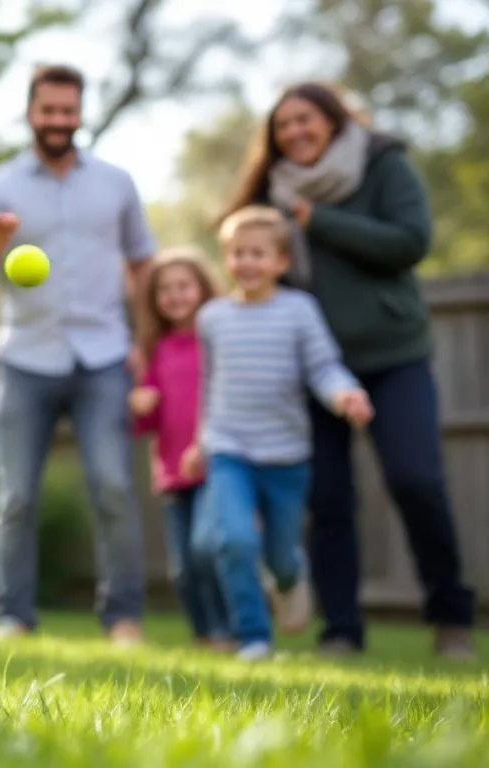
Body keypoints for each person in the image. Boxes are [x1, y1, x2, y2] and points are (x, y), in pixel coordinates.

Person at [221, 81, 477, 659]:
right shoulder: (272, 191)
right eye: (283, 126)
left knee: (417, 480)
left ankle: (451, 619)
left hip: (393, 354)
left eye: (306, 120)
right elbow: (253, 263)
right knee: (329, 499)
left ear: (334, 120)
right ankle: (341, 629)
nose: (295, 133)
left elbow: (411, 242)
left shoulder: (380, 163)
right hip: (312, 368)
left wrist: (320, 221)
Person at [0, 64, 157, 645]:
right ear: (30, 112)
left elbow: (143, 264)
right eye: (49, 111)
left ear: (80, 113)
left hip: (102, 357)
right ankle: (13, 617)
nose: (59, 121)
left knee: (114, 488)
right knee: (15, 495)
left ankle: (123, 618)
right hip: (24, 357)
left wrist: (142, 342)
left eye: (68, 111)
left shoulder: (116, 183)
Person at [184, 205, 373, 660]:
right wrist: (201, 439)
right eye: (237, 253)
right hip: (229, 447)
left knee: (281, 555)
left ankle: (290, 577)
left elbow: (323, 367)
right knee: (233, 540)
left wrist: (345, 394)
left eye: (258, 254)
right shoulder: (212, 318)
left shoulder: (299, 311)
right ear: (225, 259)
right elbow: (210, 384)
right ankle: (253, 637)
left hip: (286, 454)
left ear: (281, 262)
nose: (247, 262)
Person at [129, 246, 232, 652]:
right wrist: (141, 406)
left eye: (183, 286)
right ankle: (204, 634)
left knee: (207, 550)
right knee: (183, 569)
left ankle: (228, 630)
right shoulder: (156, 350)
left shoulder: (219, 342)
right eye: (165, 289)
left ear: (203, 289)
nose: (174, 295)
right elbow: (147, 423)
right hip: (172, 471)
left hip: (216, 464)